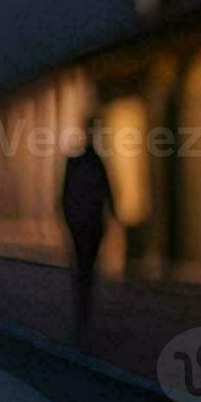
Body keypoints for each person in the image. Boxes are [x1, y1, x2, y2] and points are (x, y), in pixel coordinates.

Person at [61, 126, 114, 343]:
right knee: (87, 265)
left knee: (82, 265)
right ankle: (84, 308)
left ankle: (82, 308)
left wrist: (68, 219)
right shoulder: (95, 162)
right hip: (89, 221)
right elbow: (108, 191)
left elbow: (64, 195)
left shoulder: (77, 163)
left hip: (82, 222)